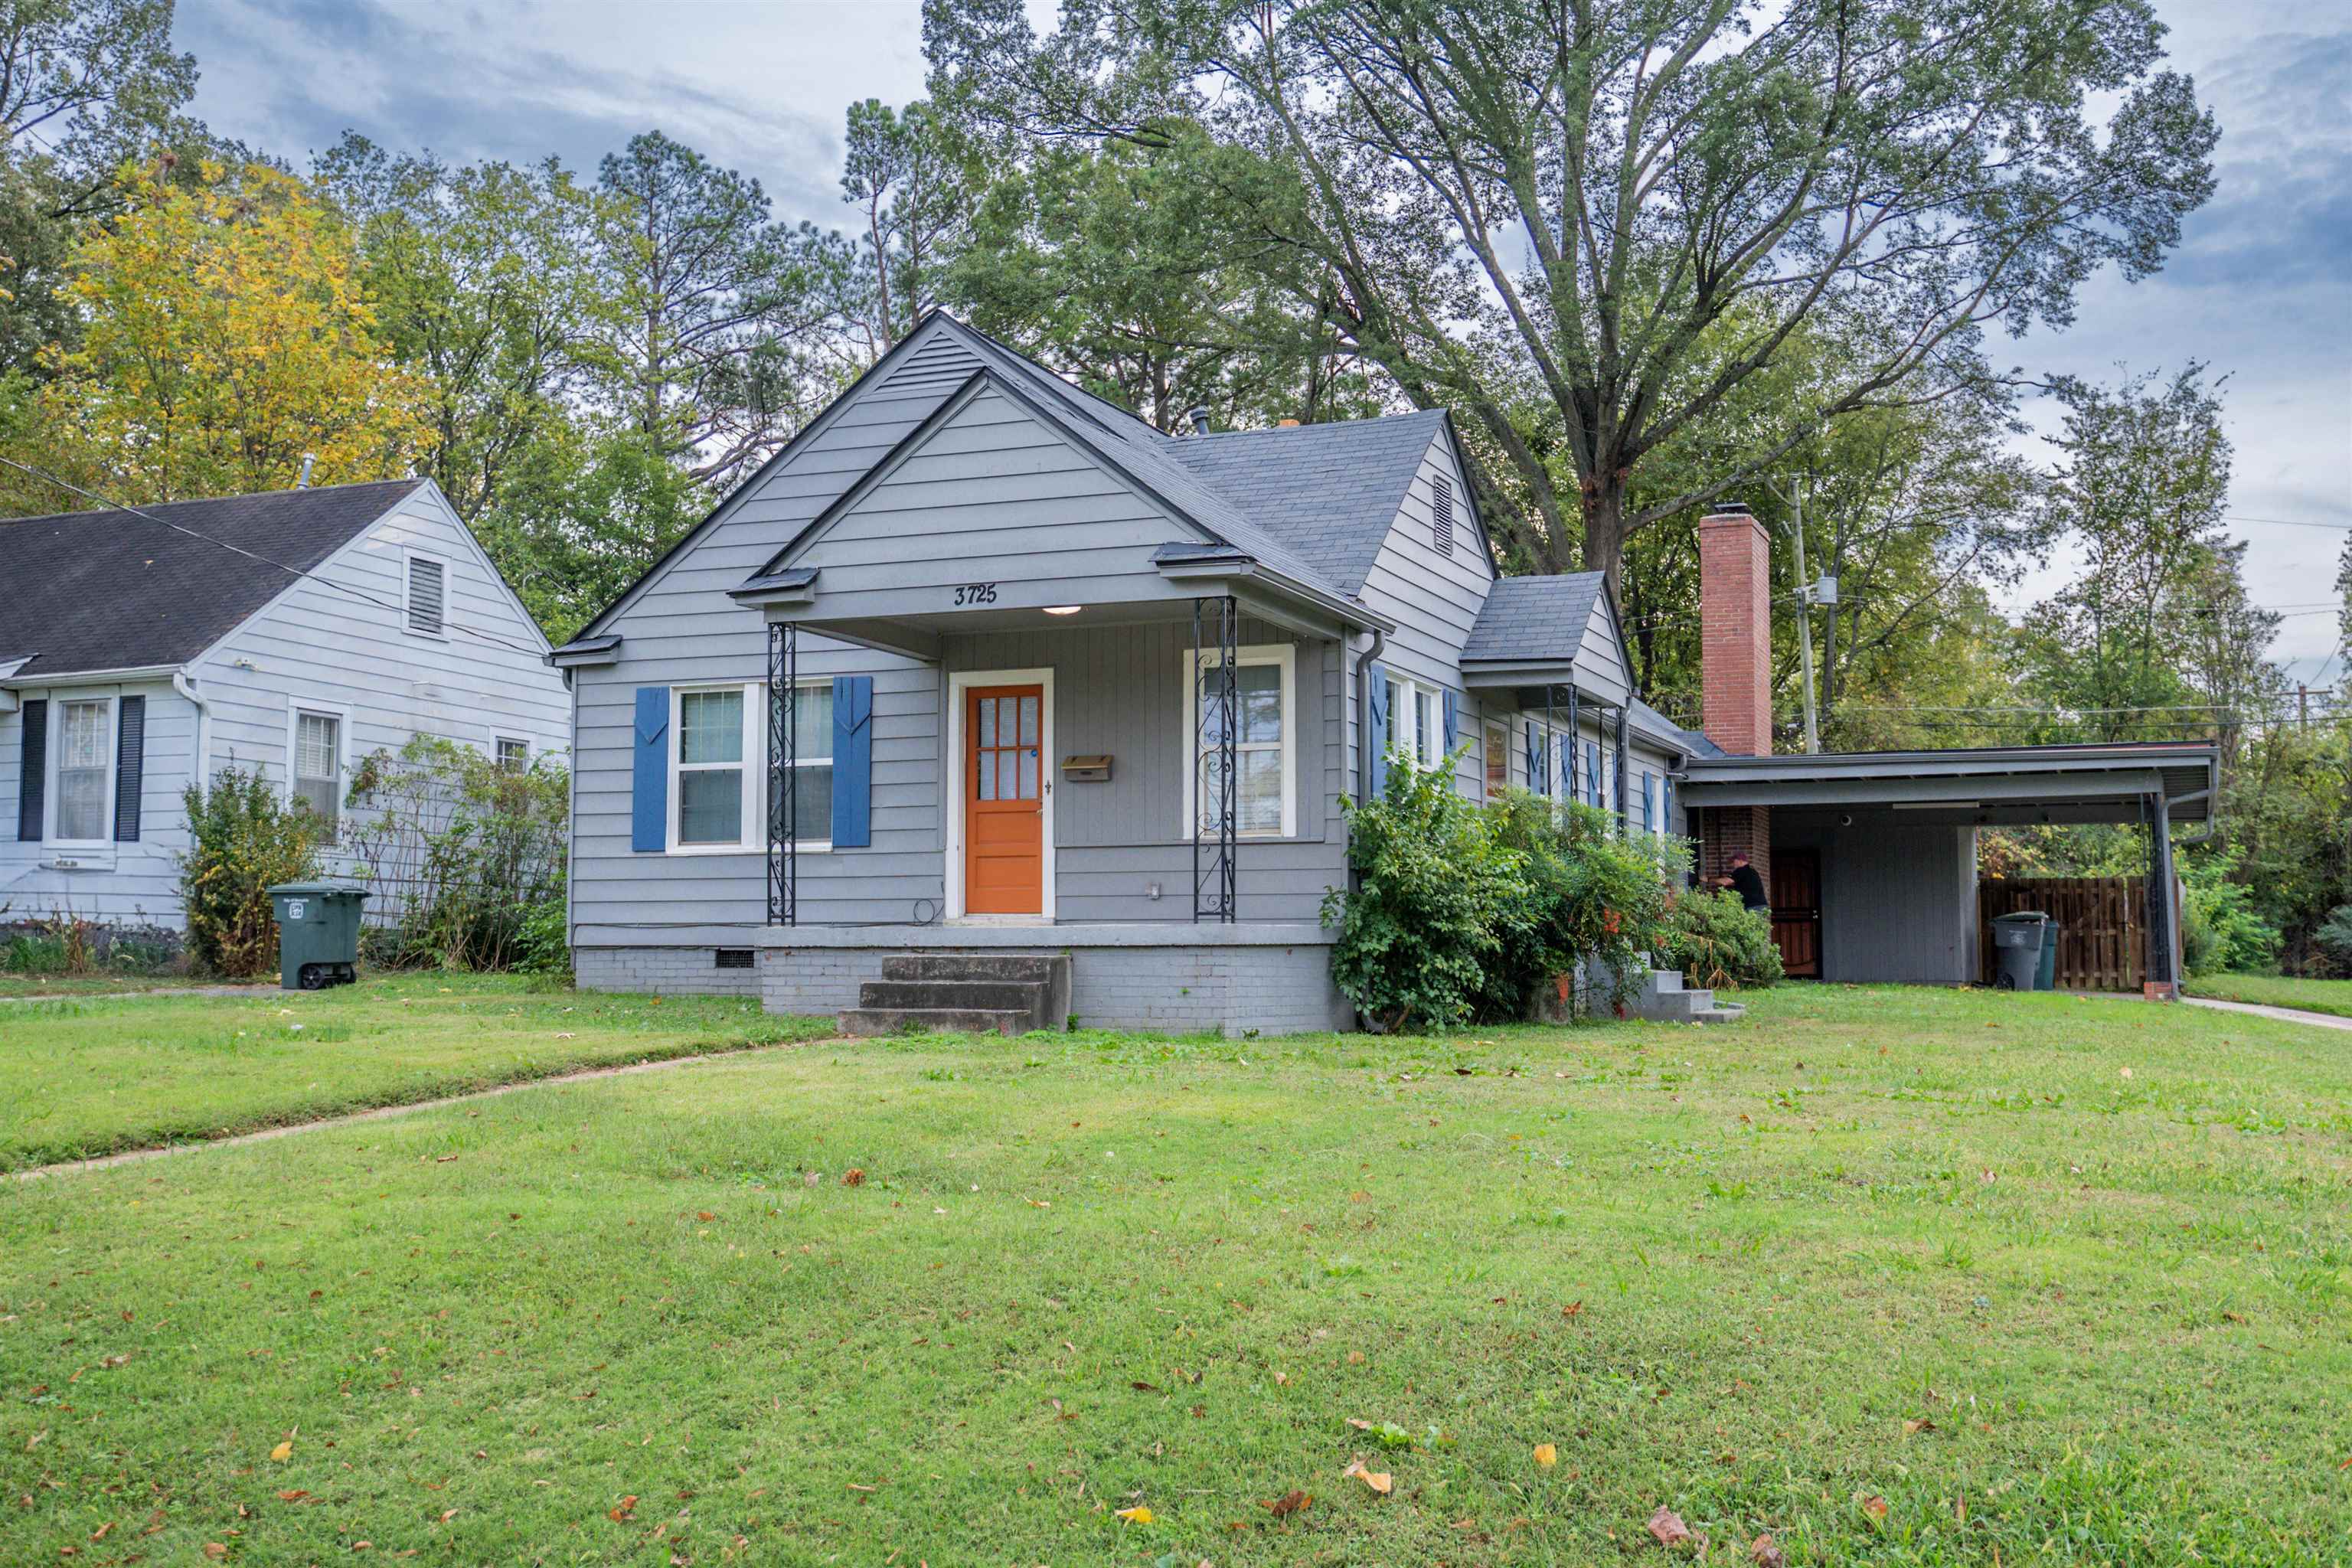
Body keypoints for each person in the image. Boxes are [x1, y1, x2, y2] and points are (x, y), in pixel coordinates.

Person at [1715, 850, 1769, 914]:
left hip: (1752, 906)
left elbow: (1725, 882)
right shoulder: (1752, 872)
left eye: (1733, 861)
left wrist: (1709, 879)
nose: (1733, 864)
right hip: (1761, 906)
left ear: (1739, 861)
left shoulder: (1741, 870)